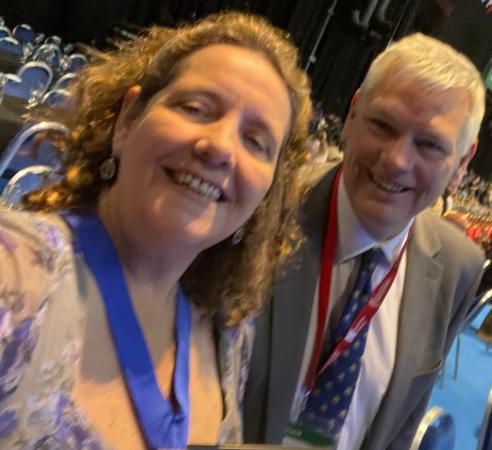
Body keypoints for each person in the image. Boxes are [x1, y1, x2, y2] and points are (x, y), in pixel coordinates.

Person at [0, 12, 310, 450]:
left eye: (256, 141)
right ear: (128, 121)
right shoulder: (15, 277)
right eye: (196, 109)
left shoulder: (228, 331)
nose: (220, 147)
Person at [242, 33, 486, 450]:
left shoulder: (458, 265)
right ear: (353, 115)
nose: (396, 160)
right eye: (382, 125)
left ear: (462, 162)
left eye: (428, 145)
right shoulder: (261, 208)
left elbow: (401, 421)